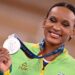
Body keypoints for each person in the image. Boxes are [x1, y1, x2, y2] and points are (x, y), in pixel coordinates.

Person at [0, 2, 75, 75]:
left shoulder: (73, 68)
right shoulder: (17, 51)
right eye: (52, 20)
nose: (56, 27)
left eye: (65, 25)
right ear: (44, 22)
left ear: (73, 32)